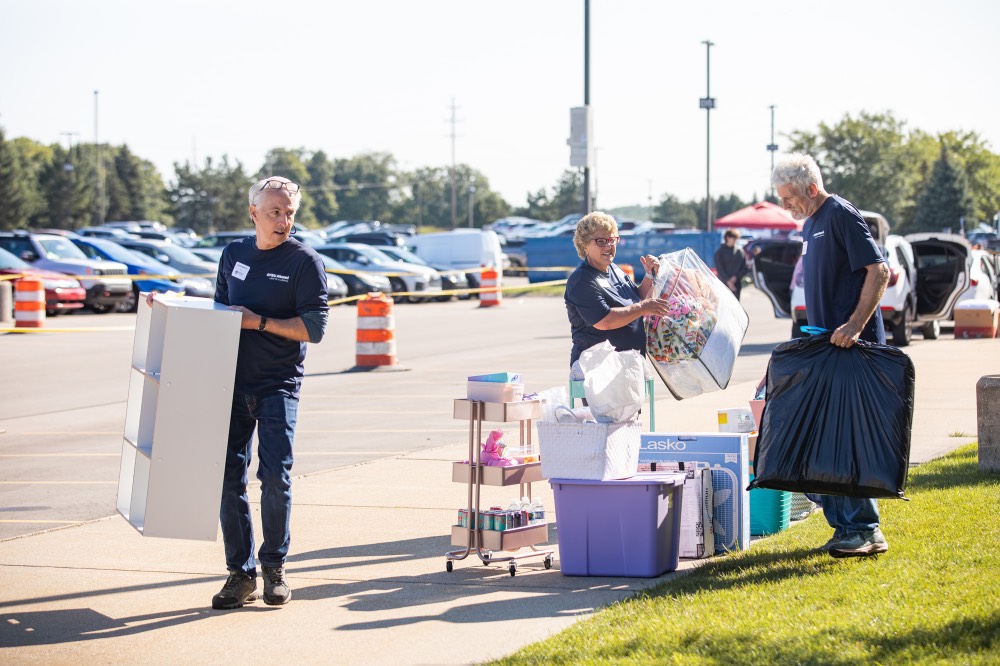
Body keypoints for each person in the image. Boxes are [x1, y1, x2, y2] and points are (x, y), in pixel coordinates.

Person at [150, 176, 329, 609]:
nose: (284, 221)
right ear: (253, 213)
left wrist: (260, 322)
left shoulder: (305, 262)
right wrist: (174, 308)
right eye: (275, 212)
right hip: (229, 387)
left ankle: (274, 571)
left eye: (289, 213)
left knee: (275, 480)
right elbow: (219, 314)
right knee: (227, 479)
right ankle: (240, 573)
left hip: (277, 387)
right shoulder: (234, 255)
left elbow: (315, 329)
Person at [771, 154, 890, 559]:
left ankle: (864, 529)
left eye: (788, 198)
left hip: (852, 347)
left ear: (810, 187)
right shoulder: (810, 224)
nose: (785, 207)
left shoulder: (840, 214)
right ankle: (847, 526)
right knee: (815, 443)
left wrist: (856, 325)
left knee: (842, 443)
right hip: (823, 346)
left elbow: (879, 271)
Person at [564, 211, 670, 371]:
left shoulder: (616, 270)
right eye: (601, 241)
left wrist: (649, 274)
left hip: (629, 366)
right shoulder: (581, 280)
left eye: (612, 240)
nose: (609, 245)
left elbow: (637, 298)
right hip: (599, 371)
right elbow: (605, 321)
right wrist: (644, 308)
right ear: (584, 245)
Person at [713, 229, 748, 299]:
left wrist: (736, 277)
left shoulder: (740, 252)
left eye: (736, 238)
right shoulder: (720, 252)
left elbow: (744, 268)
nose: (735, 240)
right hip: (723, 285)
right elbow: (719, 269)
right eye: (734, 238)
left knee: (736, 307)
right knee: (724, 307)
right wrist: (728, 281)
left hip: (736, 285)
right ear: (727, 238)